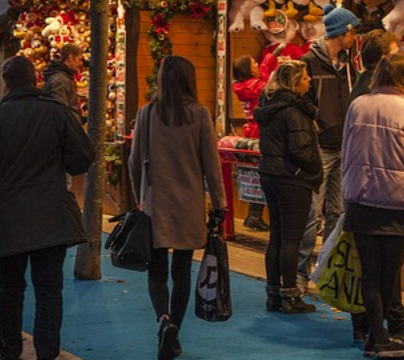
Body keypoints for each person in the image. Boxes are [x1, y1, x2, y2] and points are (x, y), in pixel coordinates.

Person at [0, 56, 96, 360]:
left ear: (6, 83)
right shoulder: (56, 113)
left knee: (9, 290)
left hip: (6, 218)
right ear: (34, 79)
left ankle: (9, 351)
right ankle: (46, 352)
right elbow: (83, 157)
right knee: (49, 290)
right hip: (49, 216)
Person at [128, 55, 227, 360]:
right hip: (189, 204)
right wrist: (219, 204)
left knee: (156, 271)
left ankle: (163, 320)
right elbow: (211, 164)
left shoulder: (146, 114)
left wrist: (139, 196)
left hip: (155, 203)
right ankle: (176, 331)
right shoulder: (199, 115)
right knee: (181, 271)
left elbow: (134, 161)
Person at [346, 31, 404, 348]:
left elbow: (347, 149)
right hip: (395, 198)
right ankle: (380, 336)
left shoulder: (358, 104)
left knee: (369, 273)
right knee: (389, 273)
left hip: (360, 196)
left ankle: (375, 335)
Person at [297, 4, 360, 289]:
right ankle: (299, 272)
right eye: (351, 31)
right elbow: (303, 100)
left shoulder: (350, 64)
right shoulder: (310, 62)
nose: (355, 36)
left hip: (344, 145)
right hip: (321, 146)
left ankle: (325, 273)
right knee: (312, 212)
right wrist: (317, 124)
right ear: (340, 33)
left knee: (336, 212)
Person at [254, 60, 321, 314]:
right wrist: (315, 167)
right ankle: (290, 296)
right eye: (305, 78)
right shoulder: (295, 111)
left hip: (271, 174)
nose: (309, 81)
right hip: (292, 178)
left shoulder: (270, 106)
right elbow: (300, 149)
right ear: (294, 83)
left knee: (277, 238)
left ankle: (273, 293)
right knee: (291, 239)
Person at [232, 55, 269, 232]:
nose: (258, 64)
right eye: (255, 63)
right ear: (248, 69)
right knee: (260, 175)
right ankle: (255, 215)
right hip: (260, 131)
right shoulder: (257, 85)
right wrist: (268, 65)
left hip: (249, 130)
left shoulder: (241, 86)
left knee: (253, 175)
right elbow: (270, 87)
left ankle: (252, 214)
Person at [42, 43, 84, 123]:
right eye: (79, 59)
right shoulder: (60, 81)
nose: (80, 63)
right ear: (71, 57)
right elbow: (60, 112)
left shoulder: (63, 78)